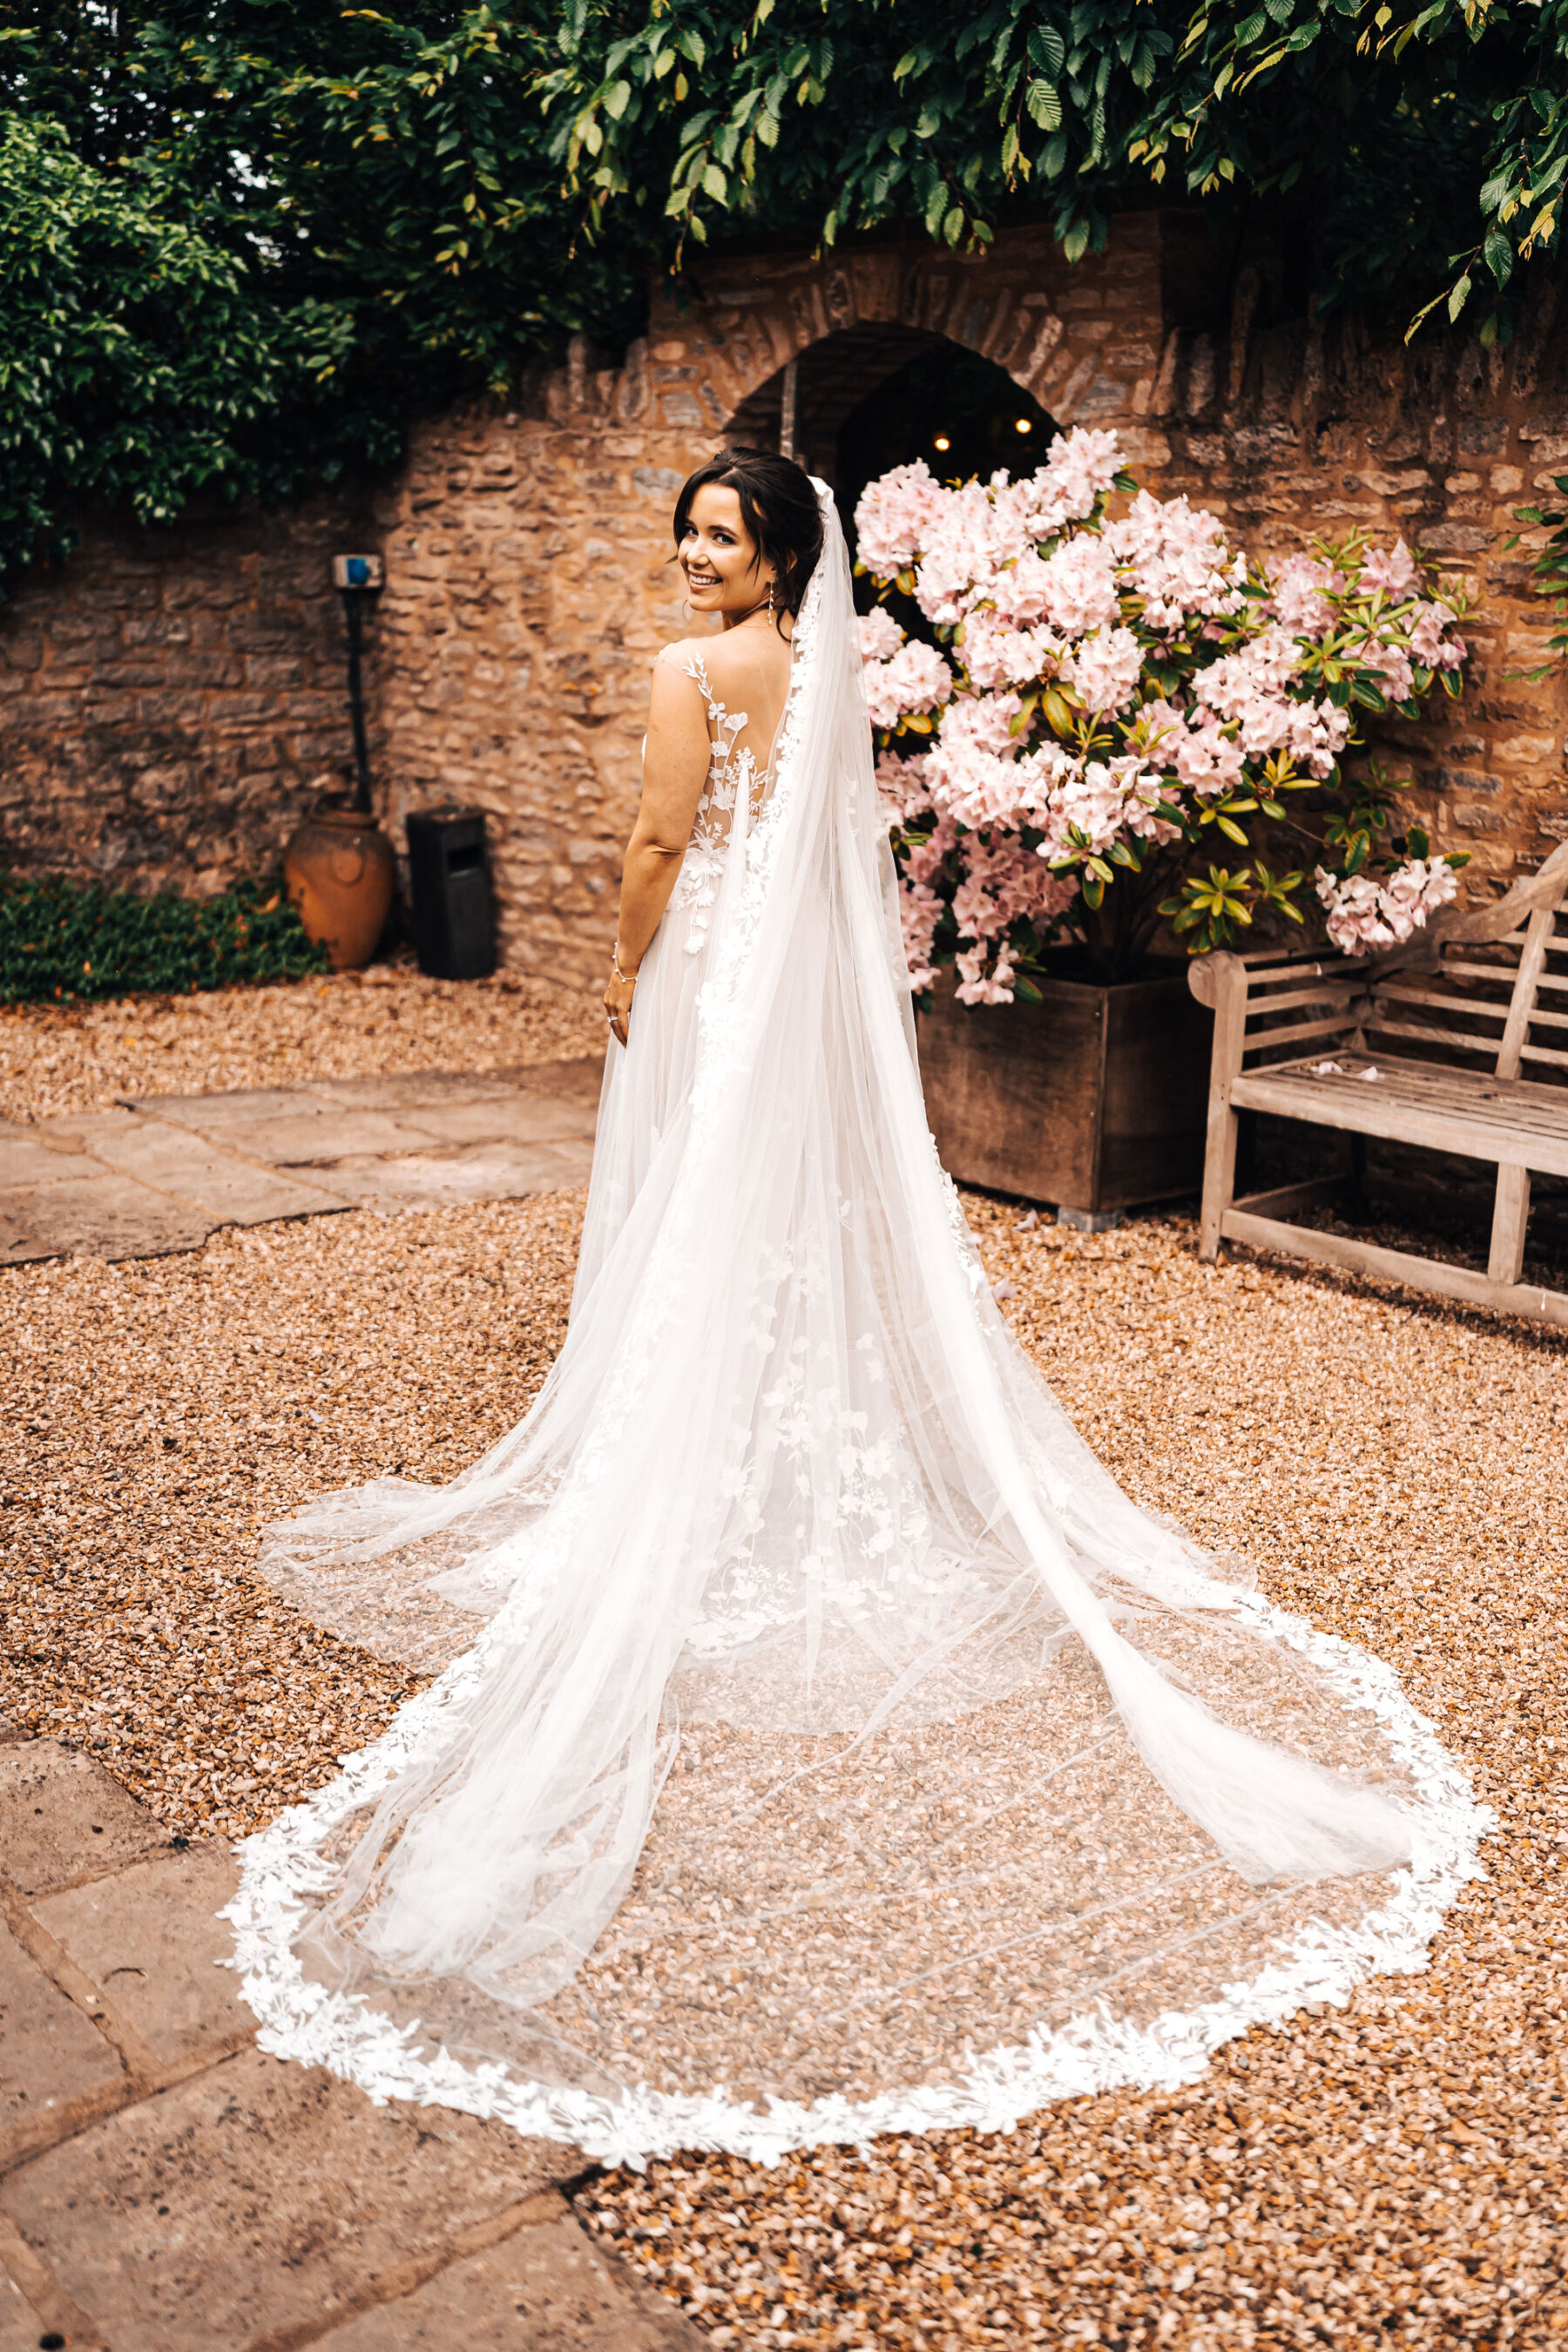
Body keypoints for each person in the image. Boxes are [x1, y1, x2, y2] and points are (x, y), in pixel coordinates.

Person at [229, 449, 1479, 2169]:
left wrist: (614, 967)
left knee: (688, 1196)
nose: (691, 559)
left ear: (772, 554)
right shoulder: (819, 675)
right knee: (787, 1207)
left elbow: (663, 837)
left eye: (720, 537)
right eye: (685, 533)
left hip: (706, 964)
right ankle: (774, 1429)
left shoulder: (692, 675)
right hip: (797, 976)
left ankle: (692, 1447)